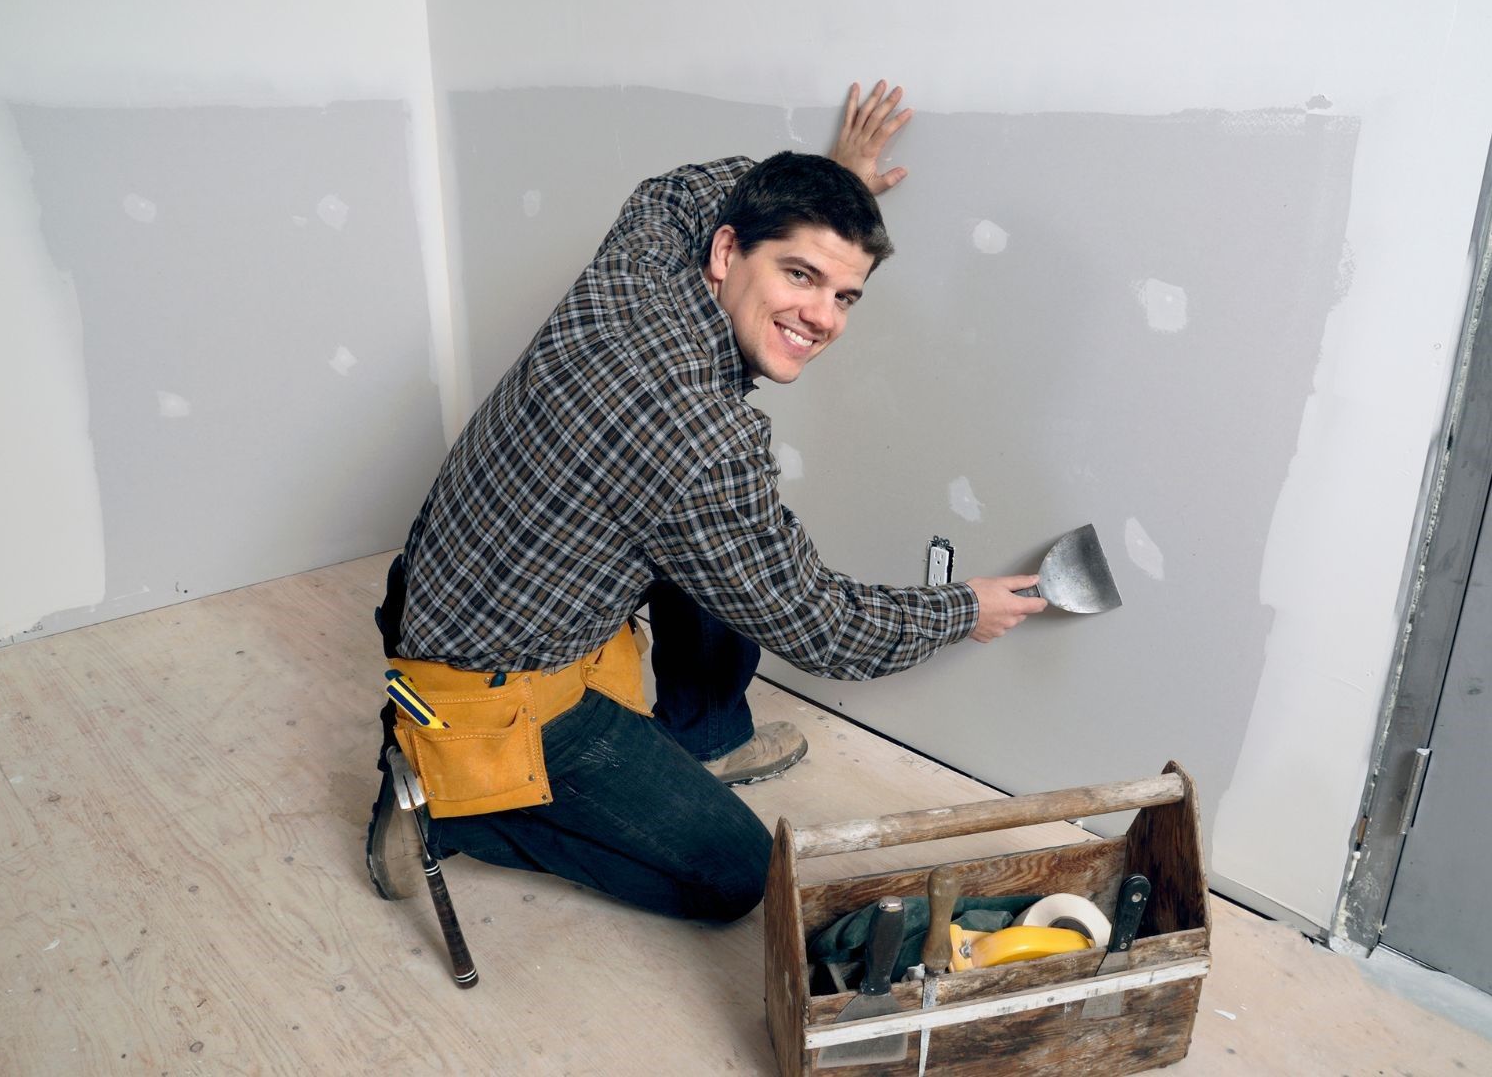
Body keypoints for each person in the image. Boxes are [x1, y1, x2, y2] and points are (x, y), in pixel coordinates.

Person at [366, 82, 1046, 922]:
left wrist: (824, 187)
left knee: (735, 544)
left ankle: (705, 734)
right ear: (727, 253)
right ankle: (451, 806)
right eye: (799, 274)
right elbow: (819, 626)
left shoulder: (640, 264)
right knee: (736, 876)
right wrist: (960, 609)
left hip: (437, 586)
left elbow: (679, 191)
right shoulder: (700, 443)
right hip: (489, 689)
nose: (823, 317)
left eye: (844, 295)